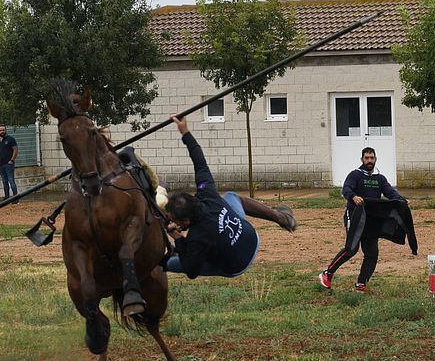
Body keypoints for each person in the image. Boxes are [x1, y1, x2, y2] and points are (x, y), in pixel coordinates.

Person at [164, 115, 297, 279]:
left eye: (174, 220)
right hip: (251, 237)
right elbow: (199, 161)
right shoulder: (207, 194)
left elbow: (192, 271)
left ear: (186, 222)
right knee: (232, 196)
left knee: (170, 263)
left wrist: (178, 238)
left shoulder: (198, 237)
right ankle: (282, 218)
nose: (173, 223)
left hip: (237, 265)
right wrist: (185, 132)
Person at [318, 147, 410, 294]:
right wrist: (353, 197)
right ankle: (327, 273)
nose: (369, 160)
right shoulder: (355, 175)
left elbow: (390, 193)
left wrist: (402, 201)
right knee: (351, 249)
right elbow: (346, 189)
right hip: (354, 216)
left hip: (371, 220)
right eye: (366, 158)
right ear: (362, 159)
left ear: (375, 159)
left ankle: (361, 284)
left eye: (372, 158)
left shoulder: (380, 179)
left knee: (372, 253)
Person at [0, 124, 18, 201]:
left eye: (3, 130)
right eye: (0, 130)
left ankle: (16, 198)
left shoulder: (10, 139)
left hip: (9, 164)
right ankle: (6, 197)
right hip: (0, 165)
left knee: (11, 180)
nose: (2, 131)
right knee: (4, 181)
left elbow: (15, 149)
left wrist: (12, 160)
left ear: (5, 130)